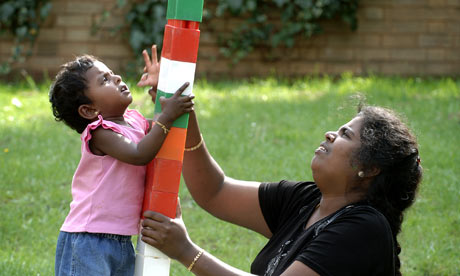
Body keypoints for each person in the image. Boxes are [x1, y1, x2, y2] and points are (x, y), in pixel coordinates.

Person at [139, 92, 422, 275]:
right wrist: (184, 118)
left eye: (345, 134)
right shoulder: (306, 201)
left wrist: (186, 251)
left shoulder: (364, 229)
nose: (330, 134)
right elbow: (216, 191)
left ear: (369, 168)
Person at [49, 45, 194, 276]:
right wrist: (167, 115)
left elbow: (160, 130)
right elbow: (140, 153)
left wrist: (160, 89)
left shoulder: (134, 122)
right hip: (88, 240)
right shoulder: (101, 133)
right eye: (104, 80)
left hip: (121, 239)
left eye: (111, 73)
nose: (116, 77)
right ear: (89, 110)